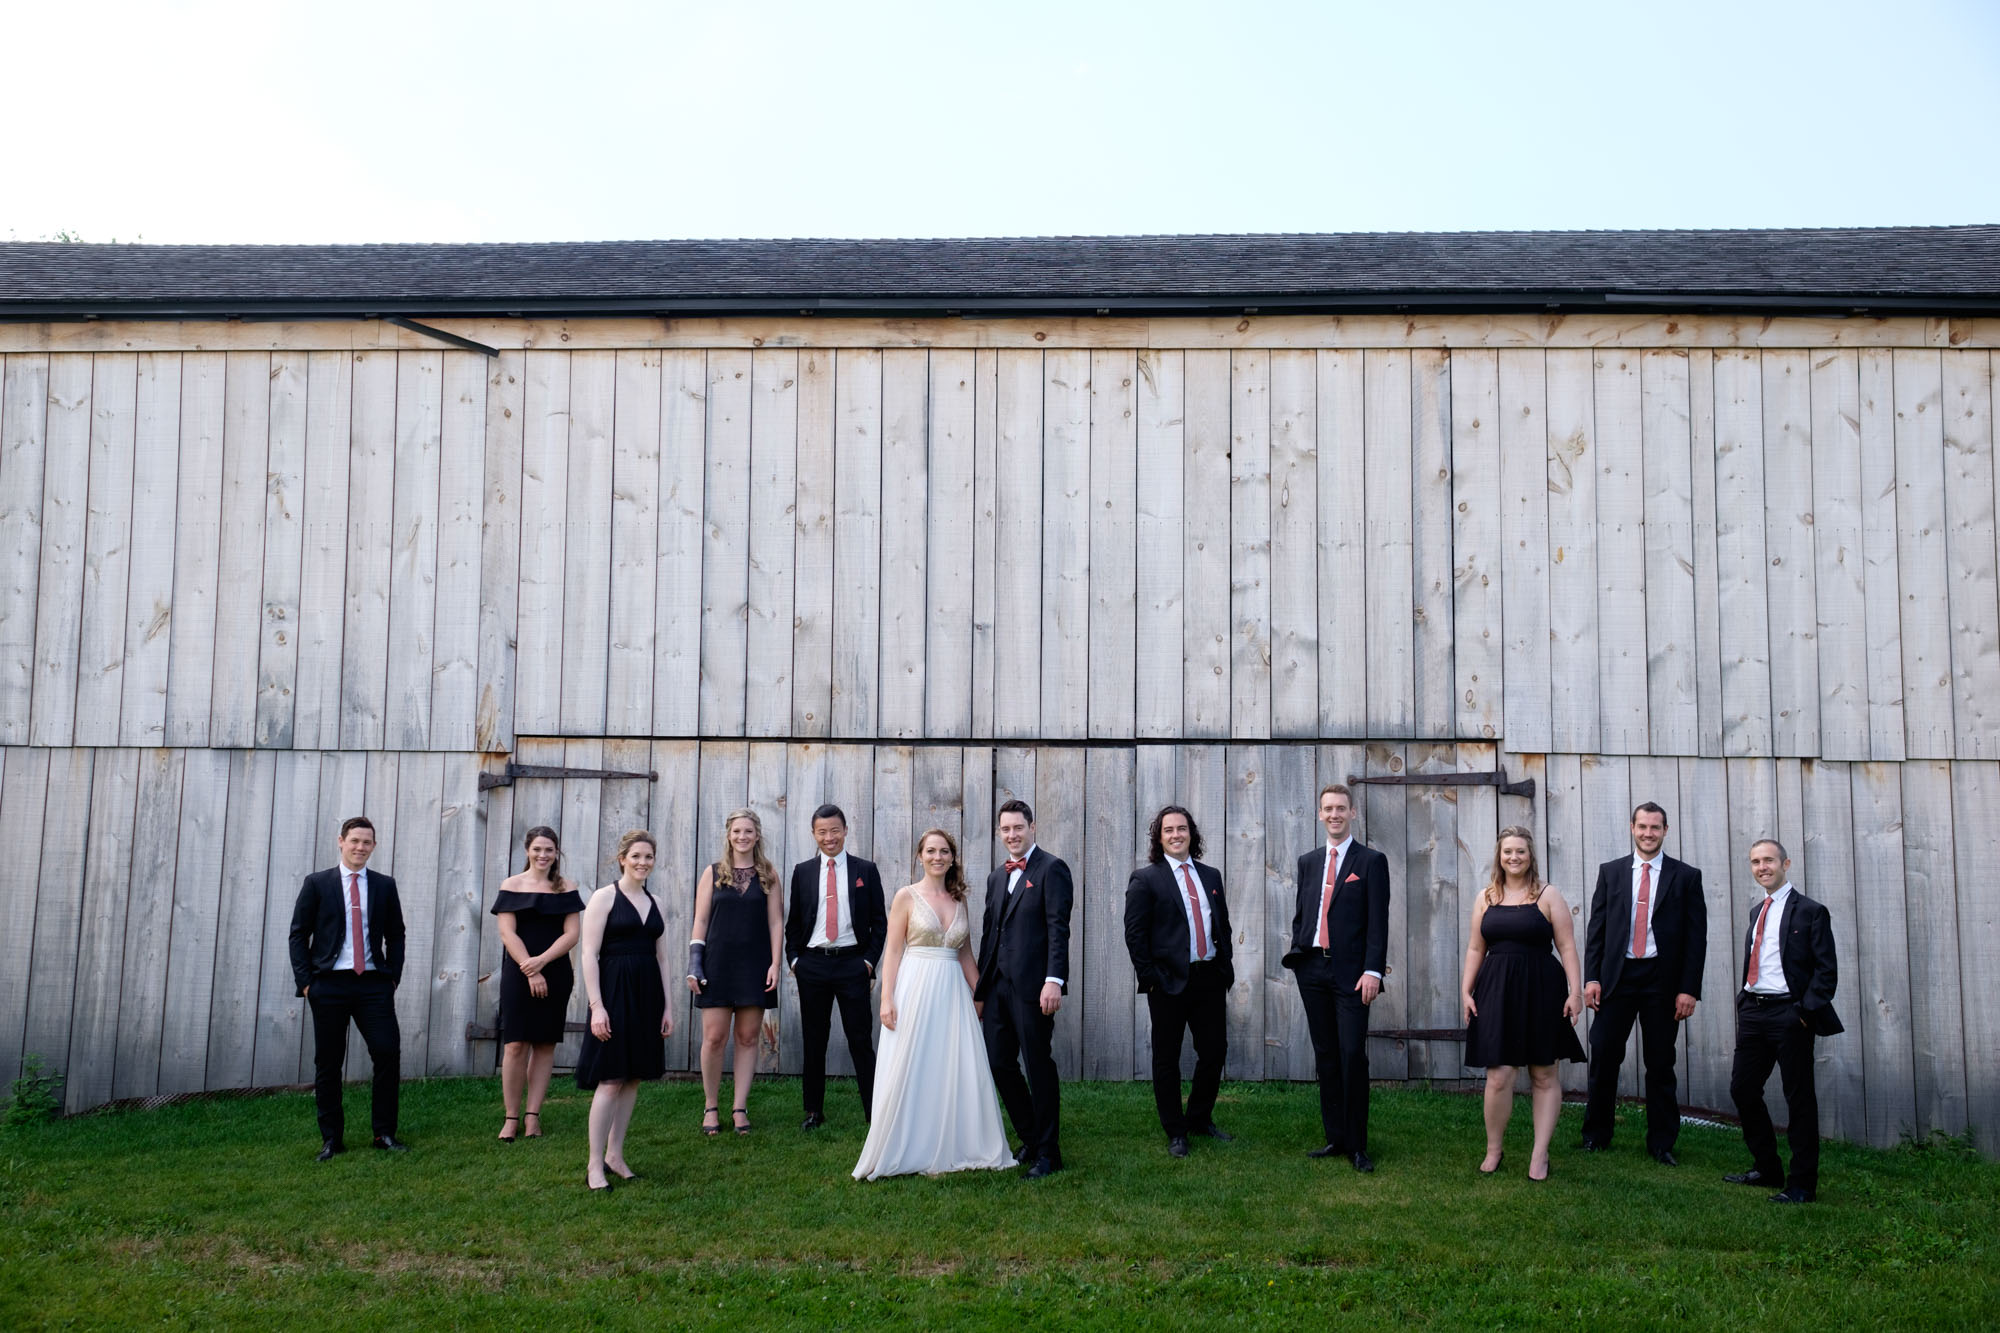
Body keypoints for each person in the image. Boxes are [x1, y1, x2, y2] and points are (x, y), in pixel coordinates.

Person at [853, 829, 1016, 1180]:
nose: (937, 857)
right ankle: (910, 1145)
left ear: (952, 857)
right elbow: (893, 951)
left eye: (944, 851)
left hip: (953, 994)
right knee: (913, 1063)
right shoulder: (906, 897)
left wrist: (981, 995)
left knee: (951, 1065)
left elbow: (966, 954)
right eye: (930, 851)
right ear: (920, 856)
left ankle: (956, 1142)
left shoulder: (960, 900)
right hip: (915, 988)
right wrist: (886, 999)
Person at [1581, 801, 1707, 1164]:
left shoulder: (1686, 876)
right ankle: (1596, 1134)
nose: (1648, 833)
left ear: (1665, 831)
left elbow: (1696, 939)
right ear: (1631, 829)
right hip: (1617, 977)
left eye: (1655, 827)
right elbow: (1597, 931)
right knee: (1603, 1054)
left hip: (1661, 981)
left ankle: (1661, 1143)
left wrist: (1689, 989)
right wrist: (1592, 978)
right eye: (1642, 827)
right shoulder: (1612, 872)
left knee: (1660, 1062)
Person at [1460, 826, 1586, 1181]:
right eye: (1507, 852)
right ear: (1499, 857)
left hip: (1542, 989)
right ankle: (1494, 1150)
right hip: (1496, 990)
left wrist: (1575, 992)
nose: (1513, 857)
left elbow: (1567, 947)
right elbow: (1475, 948)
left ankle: (1539, 1154)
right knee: (1498, 1076)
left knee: (1544, 1073)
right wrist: (1466, 991)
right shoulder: (1486, 897)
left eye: (1520, 852)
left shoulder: (1547, 895)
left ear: (1531, 857)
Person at [1725, 839, 1843, 1204]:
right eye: (1756, 862)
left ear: (1785, 864)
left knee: (1799, 1099)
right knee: (1743, 1089)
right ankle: (1767, 1168)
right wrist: (1745, 1000)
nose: (1762, 867)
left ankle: (1802, 1184)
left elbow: (1826, 972)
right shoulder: (1755, 911)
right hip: (1755, 1012)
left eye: (1769, 860)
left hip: (1790, 1015)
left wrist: (1803, 1013)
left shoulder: (1810, 911)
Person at [1281, 782, 1390, 1172]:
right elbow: (1304, 912)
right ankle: (1335, 1138)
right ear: (1320, 813)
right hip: (1312, 969)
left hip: (1352, 975)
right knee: (1326, 1055)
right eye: (1327, 809)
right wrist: (1299, 951)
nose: (1334, 815)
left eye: (1341, 808)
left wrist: (1373, 970)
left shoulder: (1370, 862)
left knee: (1351, 1055)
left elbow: (1378, 922)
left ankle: (1358, 1145)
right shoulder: (1309, 861)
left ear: (1353, 813)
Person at [288, 815, 408, 1160]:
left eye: (367, 842)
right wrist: (307, 983)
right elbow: (298, 933)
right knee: (328, 1062)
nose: (360, 847)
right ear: (340, 841)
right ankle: (331, 1139)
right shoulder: (318, 883)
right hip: (328, 984)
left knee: (387, 1053)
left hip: (373, 985)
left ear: (374, 846)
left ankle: (383, 1133)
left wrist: (393, 976)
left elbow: (396, 934)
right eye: (354, 840)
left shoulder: (384, 885)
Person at [1123, 804, 1234, 1158]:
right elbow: (1135, 936)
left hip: (1209, 979)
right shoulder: (1146, 879)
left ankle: (1199, 1118)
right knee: (1166, 1058)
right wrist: (1150, 978)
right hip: (1167, 983)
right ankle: (1175, 1130)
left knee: (1214, 1051)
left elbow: (1222, 926)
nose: (1176, 835)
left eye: (1182, 829)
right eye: (1168, 830)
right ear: (1160, 837)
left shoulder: (1211, 876)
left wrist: (1225, 968)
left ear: (1191, 833)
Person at [973, 798, 1073, 1178]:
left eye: (1018, 827)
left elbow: (1058, 929)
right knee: (999, 1062)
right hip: (997, 987)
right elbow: (989, 934)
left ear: (1032, 827)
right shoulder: (997, 877)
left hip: (1034, 987)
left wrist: (1054, 980)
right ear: (999, 833)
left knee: (1037, 1065)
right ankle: (1031, 1136)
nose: (1012, 835)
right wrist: (980, 989)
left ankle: (1050, 1152)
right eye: (1005, 829)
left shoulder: (1052, 869)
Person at [575, 830, 675, 1192]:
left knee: (633, 1077)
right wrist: (596, 1006)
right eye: (636, 856)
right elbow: (588, 954)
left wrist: (668, 1005)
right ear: (622, 858)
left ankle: (615, 1155)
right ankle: (594, 1164)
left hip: (647, 996)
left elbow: (662, 956)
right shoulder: (604, 898)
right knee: (611, 1078)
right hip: (614, 992)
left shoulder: (657, 902)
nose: (642, 862)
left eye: (648, 856)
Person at [785, 803, 885, 1130]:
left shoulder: (865, 870)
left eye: (834, 830)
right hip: (812, 964)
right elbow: (794, 923)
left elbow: (878, 922)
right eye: (822, 832)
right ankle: (813, 1111)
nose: (829, 838)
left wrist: (868, 962)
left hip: (852, 964)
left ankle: (875, 1112)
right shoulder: (802, 871)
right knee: (814, 1040)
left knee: (860, 1040)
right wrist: (796, 960)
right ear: (814, 835)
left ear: (845, 830)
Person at [688, 808, 784, 1136]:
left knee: (747, 1038)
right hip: (717, 963)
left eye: (749, 831)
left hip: (755, 964)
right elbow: (700, 920)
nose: (742, 837)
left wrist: (775, 963)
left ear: (757, 836)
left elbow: (775, 922)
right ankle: (711, 1105)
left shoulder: (768, 873)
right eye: (737, 831)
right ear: (728, 835)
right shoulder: (712, 872)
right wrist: (695, 963)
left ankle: (740, 1106)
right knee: (714, 1037)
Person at [491, 826, 583, 1142]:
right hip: (519, 973)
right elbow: (507, 933)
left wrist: (542, 962)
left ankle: (533, 1116)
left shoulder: (566, 888)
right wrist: (530, 970)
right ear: (528, 850)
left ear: (557, 853)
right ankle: (511, 1117)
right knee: (516, 1044)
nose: (543, 855)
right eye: (537, 849)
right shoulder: (511, 885)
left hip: (556, 972)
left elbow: (572, 934)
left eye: (549, 850)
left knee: (544, 1044)